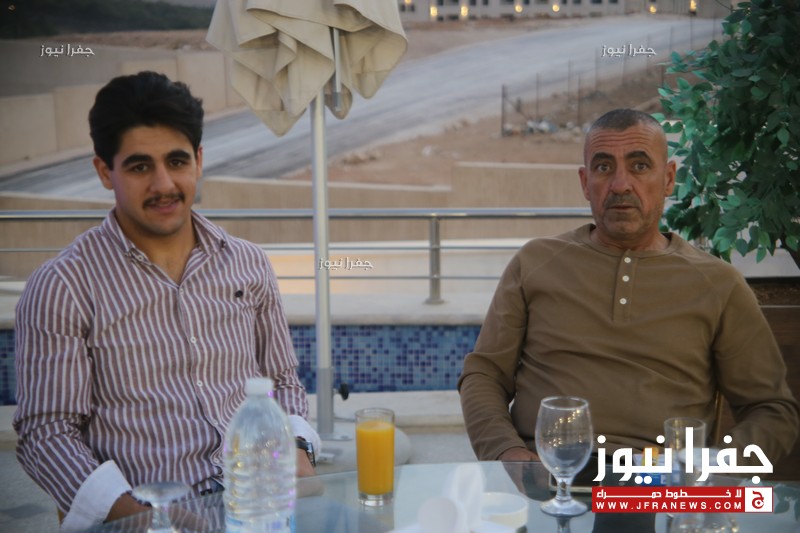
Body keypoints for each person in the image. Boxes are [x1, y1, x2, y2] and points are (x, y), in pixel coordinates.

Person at [13, 71, 320, 531]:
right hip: (147, 518)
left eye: (176, 161)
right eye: (140, 167)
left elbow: (280, 382)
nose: (163, 184)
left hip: (260, 509)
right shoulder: (63, 286)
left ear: (198, 160)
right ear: (105, 172)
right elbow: (47, 433)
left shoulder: (248, 263)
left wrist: (297, 449)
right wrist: (143, 517)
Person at [458, 108, 798, 467]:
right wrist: (507, 454)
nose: (620, 184)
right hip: (547, 472)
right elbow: (484, 373)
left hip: (660, 480)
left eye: (639, 166)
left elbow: (772, 411)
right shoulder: (535, 262)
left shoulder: (718, 284)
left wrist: (710, 467)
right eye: (604, 167)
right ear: (585, 182)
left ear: (668, 179)